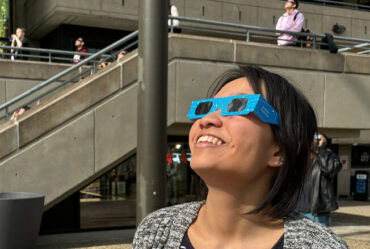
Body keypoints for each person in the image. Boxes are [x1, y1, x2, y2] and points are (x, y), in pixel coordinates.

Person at [132, 65, 348, 248]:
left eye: (238, 105)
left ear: (279, 151)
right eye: (206, 107)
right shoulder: (156, 230)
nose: (207, 119)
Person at [297, 133, 342, 226]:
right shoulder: (300, 157)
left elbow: (329, 169)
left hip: (317, 211)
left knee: (319, 239)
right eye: (313, 138)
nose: (315, 140)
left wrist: (320, 149)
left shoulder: (330, 157)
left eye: (318, 138)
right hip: (296, 210)